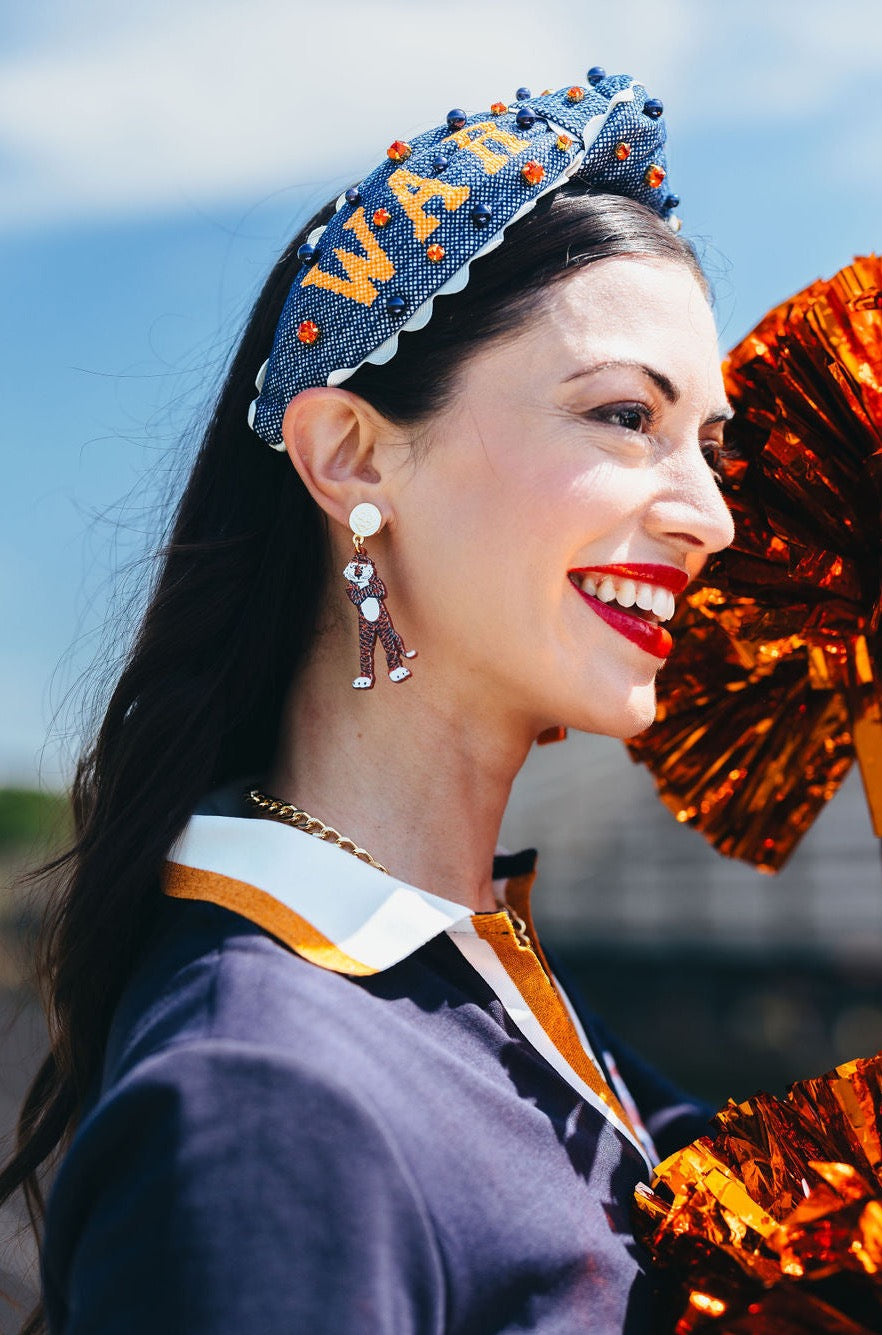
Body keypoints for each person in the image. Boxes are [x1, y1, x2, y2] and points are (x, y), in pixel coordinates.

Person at [3, 68, 736, 1333]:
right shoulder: (268, 1108)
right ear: (348, 454)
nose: (713, 518)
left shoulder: (500, 990)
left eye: (710, 447)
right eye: (626, 417)